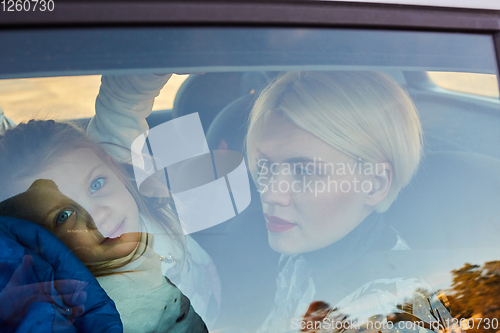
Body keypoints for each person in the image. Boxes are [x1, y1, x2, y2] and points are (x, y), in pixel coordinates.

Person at [0, 74, 219, 331]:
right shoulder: (111, 310)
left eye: (96, 184)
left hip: (215, 292)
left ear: (114, 168)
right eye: (63, 215)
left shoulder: (118, 175)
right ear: (39, 244)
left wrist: (170, 45)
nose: (99, 215)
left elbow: (124, 100)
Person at [244, 71, 453, 332]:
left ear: (374, 185)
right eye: (265, 165)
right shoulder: (300, 255)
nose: (270, 193)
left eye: (305, 171)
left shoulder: (393, 316)